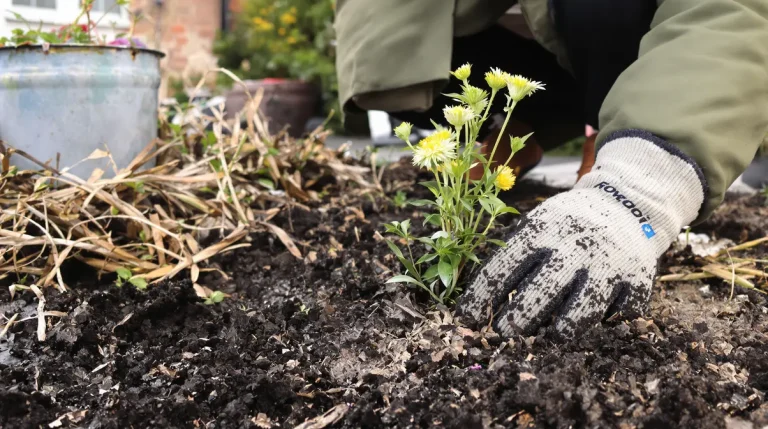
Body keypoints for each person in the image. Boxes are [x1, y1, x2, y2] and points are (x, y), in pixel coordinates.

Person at [333, 0, 768, 338]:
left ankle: (609, 136)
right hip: (518, 45)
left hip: (642, 43)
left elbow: (736, 17)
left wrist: (642, 188)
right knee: (406, 67)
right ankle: (519, 130)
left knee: (599, 11)